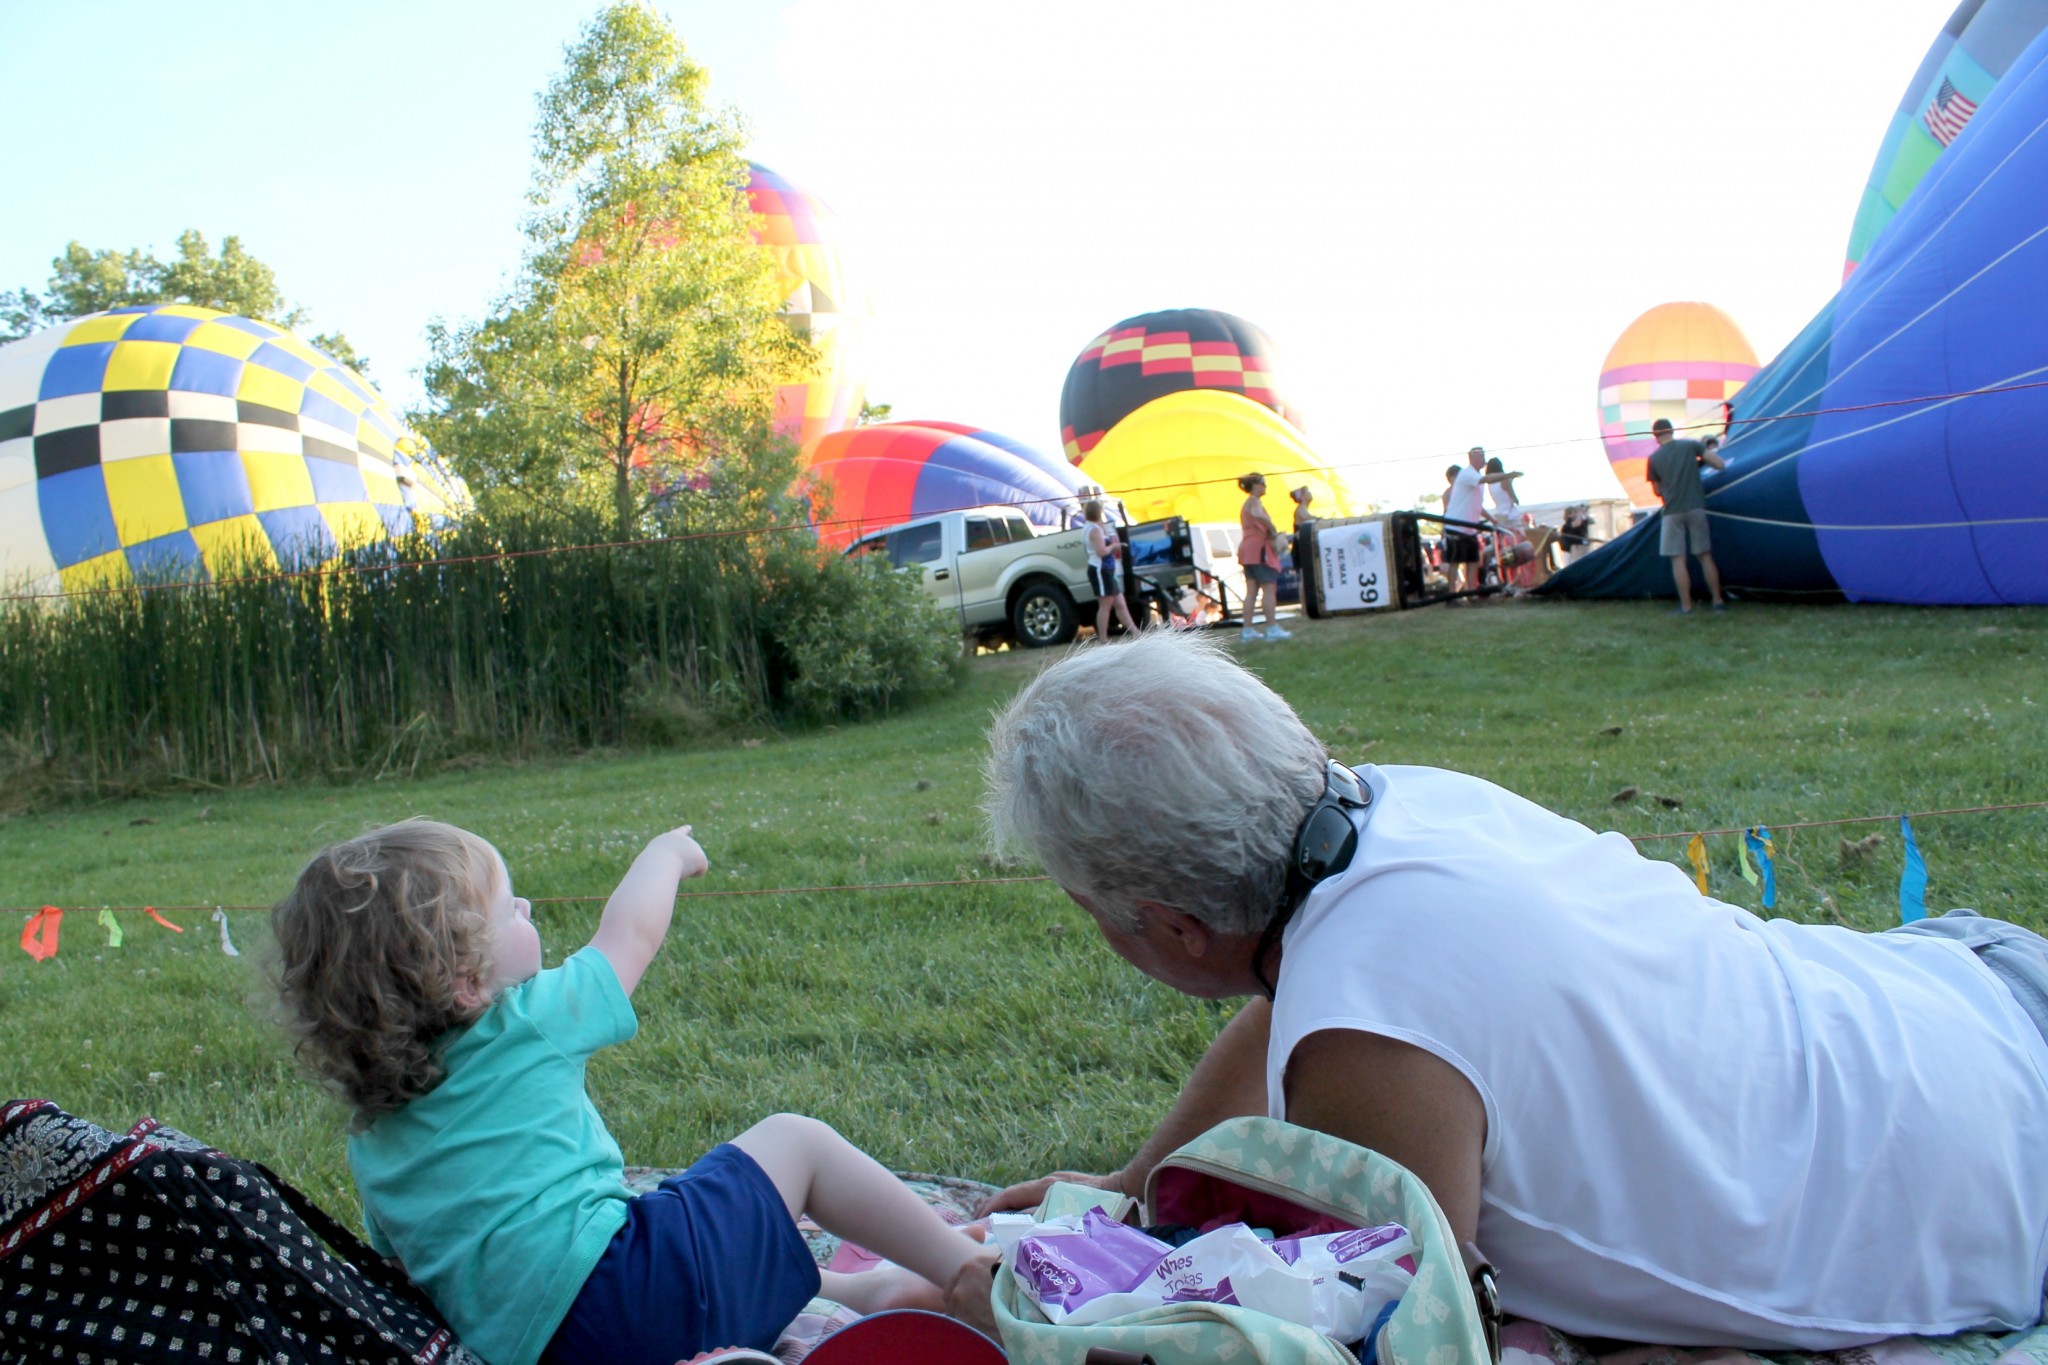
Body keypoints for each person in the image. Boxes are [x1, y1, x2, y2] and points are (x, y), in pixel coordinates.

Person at [978, 630, 2048, 1351]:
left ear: (1173, 928)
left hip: (2016, 1191)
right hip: (1975, 993)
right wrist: (1136, 1176)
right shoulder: (1392, 811)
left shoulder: (1364, 1059)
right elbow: (1316, 995)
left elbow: (1404, 1328)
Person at [272, 820, 998, 1365]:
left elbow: (411, 1273)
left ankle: (863, 1296)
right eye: (508, 907)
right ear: (465, 982)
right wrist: (667, 853)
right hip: (638, 1292)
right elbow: (631, 934)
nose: (526, 904)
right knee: (792, 1142)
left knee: (663, 1213)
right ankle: (964, 1273)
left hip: (557, 1355)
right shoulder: (526, 1022)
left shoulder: (370, 1139)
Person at [1644, 418, 1728, 613]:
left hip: (1672, 512)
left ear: (1655, 436)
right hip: (1696, 507)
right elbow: (1719, 464)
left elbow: (1657, 491)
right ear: (1672, 431)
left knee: (1678, 560)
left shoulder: (1654, 459)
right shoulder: (1691, 445)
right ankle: (1717, 602)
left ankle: (1686, 606)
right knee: (1705, 556)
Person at [1442, 447, 1520, 594]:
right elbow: (1485, 479)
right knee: (1455, 562)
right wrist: (1507, 475)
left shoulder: (1475, 477)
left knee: (1472, 562)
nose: (1483, 459)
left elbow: (1478, 506)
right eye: (1480, 456)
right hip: (1456, 525)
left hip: (1470, 527)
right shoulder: (1468, 474)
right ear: (1472, 458)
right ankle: (1451, 595)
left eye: (1484, 456)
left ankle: (1472, 592)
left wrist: (1493, 521)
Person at [1236, 472, 1290, 641]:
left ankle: (1247, 630)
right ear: (1256, 484)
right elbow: (1258, 515)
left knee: (1251, 591)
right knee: (1269, 588)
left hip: (1247, 549)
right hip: (1259, 549)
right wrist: (1271, 528)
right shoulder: (1254, 501)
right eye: (1264, 483)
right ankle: (1272, 628)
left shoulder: (1247, 503)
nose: (1265, 487)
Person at [1083, 499, 1141, 639]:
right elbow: (1101, 551)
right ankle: (1103, 639)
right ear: (1098, 512)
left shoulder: (1093, 527)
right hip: (1100, 570)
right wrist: (1114, 547)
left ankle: (1136, 633)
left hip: (1108, 570)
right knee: (1105, 605)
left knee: (1120, 604)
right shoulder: (1094, 530)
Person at [1288, 485, 1316, 577]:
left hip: (1303, 545)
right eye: (1307, 492)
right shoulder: (1300, 509)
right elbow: (1307, 518)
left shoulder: (1303, 509)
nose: (1310, 493)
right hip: (1300, 546)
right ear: (1302, 496)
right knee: (1303, 575)